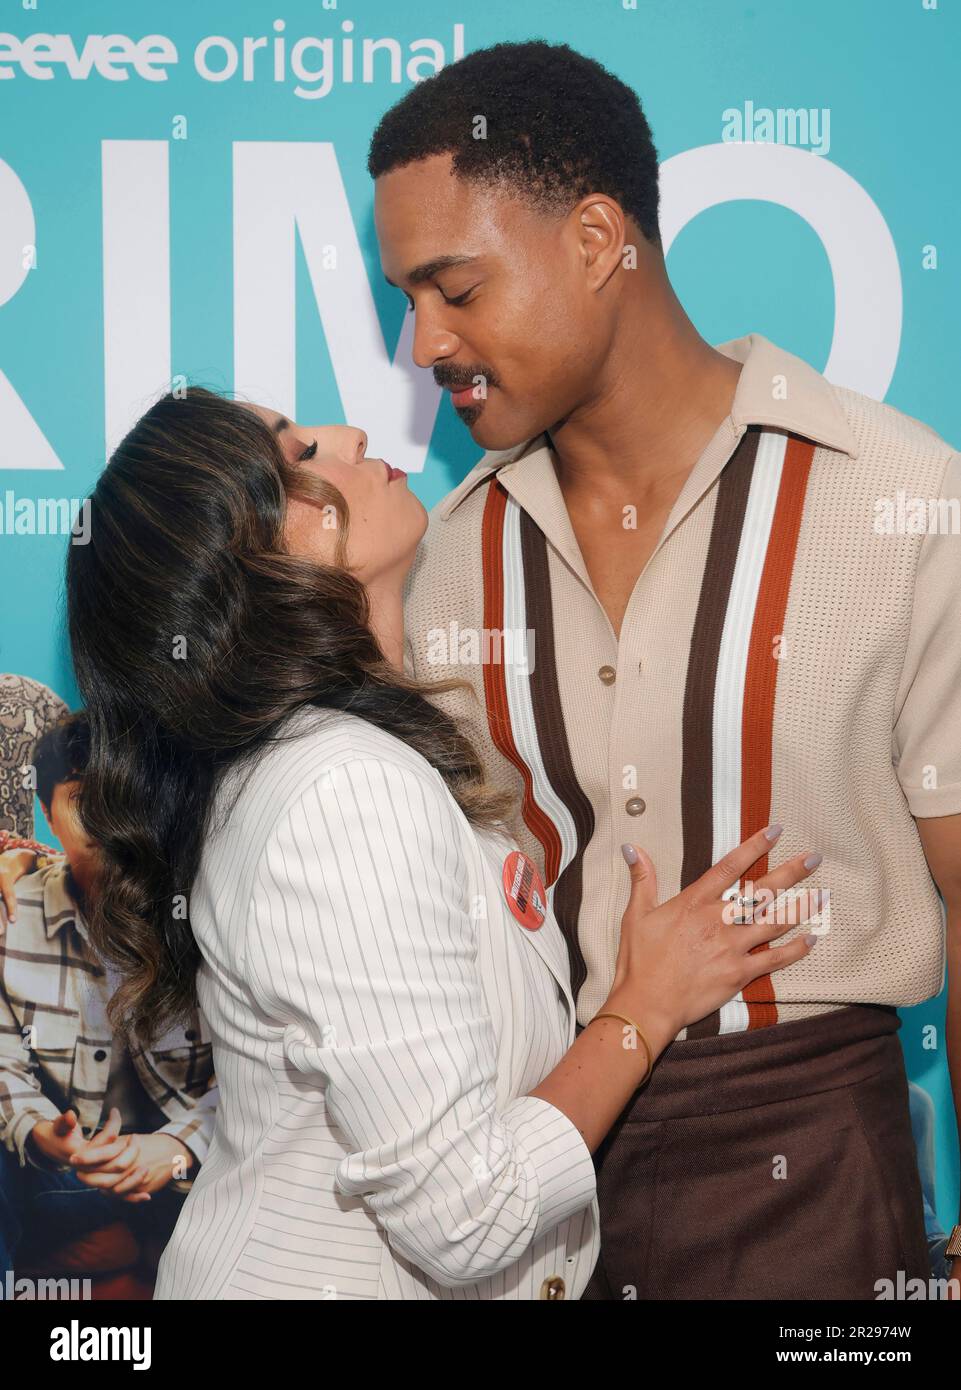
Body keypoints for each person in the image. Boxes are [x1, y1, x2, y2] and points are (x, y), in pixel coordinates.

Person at [368, 40, 961, 1298]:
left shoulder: (900, 499)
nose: (424, 343)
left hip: (822, 1177)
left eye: (453, 287)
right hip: (541, 1183)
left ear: (596, 241)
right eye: (406, 301)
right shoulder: (447, 560)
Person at [61, 387, 822, 1300]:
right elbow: (467, 1214)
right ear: (247, 566)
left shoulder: (345, 761)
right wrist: (643, 1011)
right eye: (299, 455)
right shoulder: (343, 789)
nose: (347, 435)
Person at [0, 714, 217, 1277]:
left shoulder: (205, 911)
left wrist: (174, 1149)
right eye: (80, 797)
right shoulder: (14, 918)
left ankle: (136, 1247)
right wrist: (41, 1134)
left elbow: (256, 1081)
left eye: (118, 796)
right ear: (47, 814)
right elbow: (4, 1066)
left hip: (202, 1172)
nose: (103, 817)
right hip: (71, 1175)